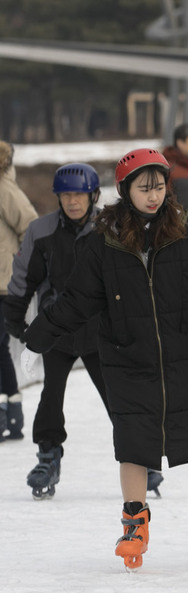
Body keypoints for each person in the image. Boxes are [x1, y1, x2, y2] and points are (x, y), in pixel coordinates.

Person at [20, 148, 188, 570]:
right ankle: (134, 525)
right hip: (127, 359)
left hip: (183, 358)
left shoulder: (185, 233)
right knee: (133, 447)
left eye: (159, 186)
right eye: (144, 188)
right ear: (125, 191)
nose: (153, 196)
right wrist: (36, 339)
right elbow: (76, 301)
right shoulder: (105, 242)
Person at [4, 163, 165, 499]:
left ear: (93, 195)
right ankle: (48, 455)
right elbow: (24, 278)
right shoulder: (41, 230)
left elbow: (134, 275)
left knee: (115, 396)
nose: (72, 201)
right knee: (51, 395)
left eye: (78, 194)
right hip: (57, 329)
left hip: (101, 329)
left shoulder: (111, 227)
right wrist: (16, 320)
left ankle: (142, 460)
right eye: (65, 195)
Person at [0, 140, 38, 442]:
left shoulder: (3, 188)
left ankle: (8, 412)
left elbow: (30, 225)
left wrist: (19, 264)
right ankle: (12, 411)